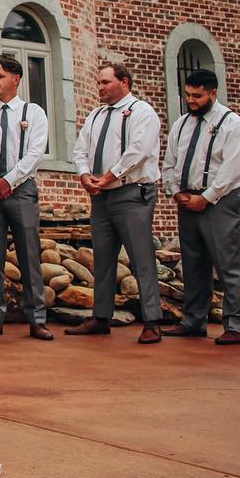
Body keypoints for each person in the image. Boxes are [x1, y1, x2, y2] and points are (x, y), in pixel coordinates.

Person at [68, 63, 163, 344]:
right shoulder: (96, 115)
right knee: (103, 257)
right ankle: (101, 317)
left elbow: (138, 151)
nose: (100, 87)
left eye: (106, 82)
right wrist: (85, 175)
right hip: (101, 196)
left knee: (141, 257)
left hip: (131, 193)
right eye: (99, 82)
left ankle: (152, 321)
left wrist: (109, 176)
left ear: (124, 82)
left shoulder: (142, 112)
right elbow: (80, 150)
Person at [161, 69, 240, 345]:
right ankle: (193, 321)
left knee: (229, 263)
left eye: (197, 96)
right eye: (188, 95)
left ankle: (236, 324)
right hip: (187, 201)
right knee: (193, 264)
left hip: (221, 202)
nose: (191, 100)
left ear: (213, 93)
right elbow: (170, 163)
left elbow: (231, 169)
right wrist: (176, 192)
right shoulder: (181, 125)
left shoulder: (232, 124)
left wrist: (207, 197)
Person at [0, 55, 54, 341]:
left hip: (21, 190)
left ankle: (37, 319)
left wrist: (8, 181)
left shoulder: (33, 112)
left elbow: (35, 153)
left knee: (29, 255)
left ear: (16, 79)